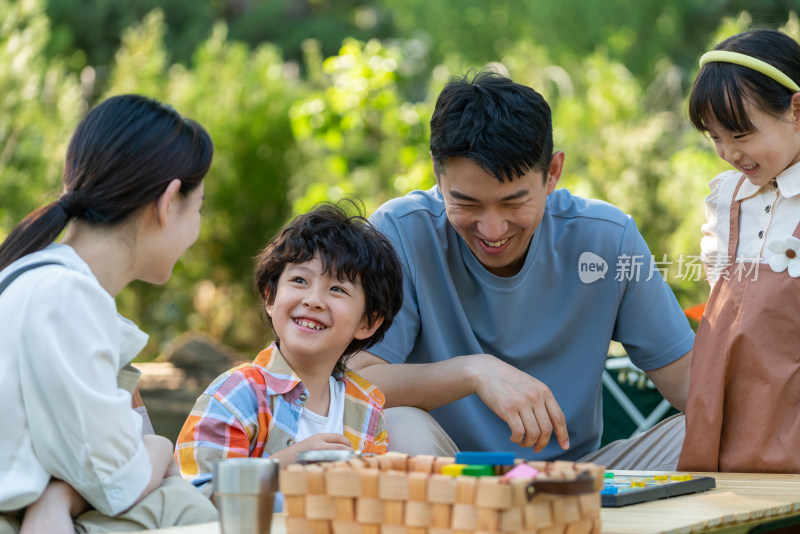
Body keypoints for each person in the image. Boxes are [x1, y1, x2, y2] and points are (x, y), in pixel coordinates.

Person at [349, 70, 695, 468]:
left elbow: (688, 381)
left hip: (578, 477)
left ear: (552, 174)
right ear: (437, 174)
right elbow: (354, 383)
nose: (492, 229)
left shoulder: (608, 239)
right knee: (396, 426)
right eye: (468, 203)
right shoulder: (398, 233)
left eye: (514, 202)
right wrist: (472, 372)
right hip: (449, 475)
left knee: (716, 429)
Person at [0, 94, 218, 534]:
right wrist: (157, 445)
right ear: (170, 201)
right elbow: (119, 478)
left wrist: (59, 496)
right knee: (181, 509)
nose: (196, 228)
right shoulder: (65, 297)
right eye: (199, 208)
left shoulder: (45, 278)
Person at [175, 201, 403, 497]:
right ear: (270, 298)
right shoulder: (237, 394)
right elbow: (195, 498)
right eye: (299, 280)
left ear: (368, 322)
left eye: (338, 289)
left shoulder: (367, 410)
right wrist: (283, 465)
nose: (313, 299)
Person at [678, 29, 800, 473]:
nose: (729, 153)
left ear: (796, 111)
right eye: (715, 138)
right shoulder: (727, 198)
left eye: (741, 135)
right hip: (726, 420)